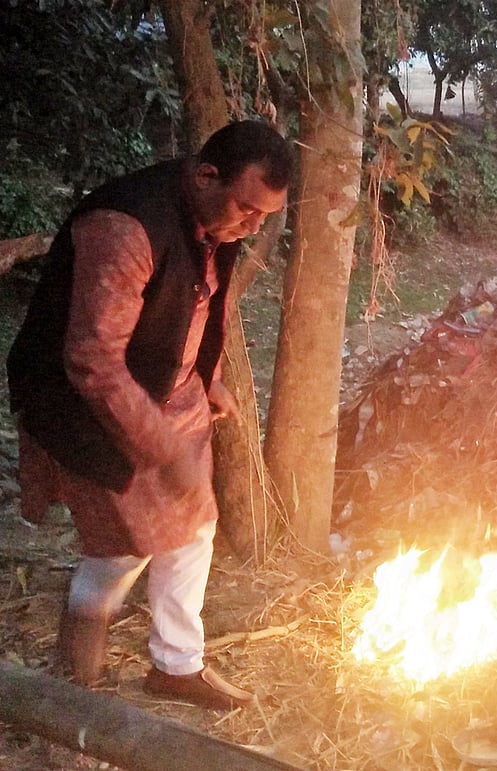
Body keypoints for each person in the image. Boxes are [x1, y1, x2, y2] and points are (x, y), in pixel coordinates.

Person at [6, 120, 291, 710]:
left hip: (167, 391)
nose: (253, 226)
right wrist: (163, 450)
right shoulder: (124, 228)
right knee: (123, 547)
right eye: (247, 208)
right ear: (206, 175)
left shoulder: (214, 218)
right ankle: (75, 692)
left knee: (196, 524)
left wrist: (205, 379)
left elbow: (195, 305)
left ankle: (176, 665)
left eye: (265, 215)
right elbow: (93, 363)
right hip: (87, 404)